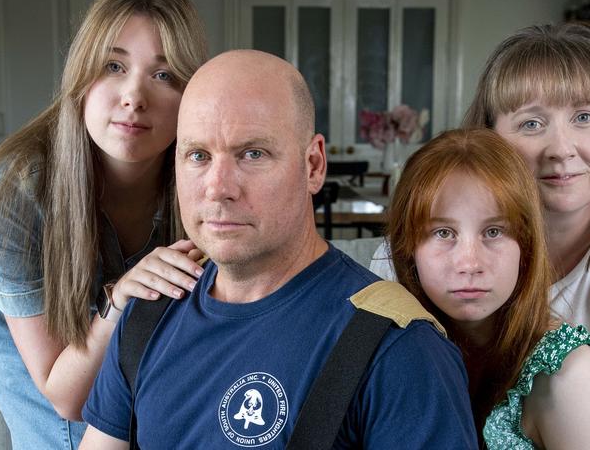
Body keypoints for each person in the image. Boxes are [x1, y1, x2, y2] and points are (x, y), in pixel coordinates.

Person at [79, 50, 478, 449]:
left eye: (252, 154)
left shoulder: (397, 348)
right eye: (198, 155)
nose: (218, 188)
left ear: (314, 165)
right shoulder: (149, 313)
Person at [0, 0, 208, 449]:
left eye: (164, 74)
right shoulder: (15, 193)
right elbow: (64, 397)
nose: (134, 96)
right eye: (113, 65)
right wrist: (120, 302)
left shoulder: (203, 180)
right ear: (81, 76)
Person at [371, 23, 590, 374]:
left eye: (584, 117)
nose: (560, 149)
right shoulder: (407, 260)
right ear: (489, 139)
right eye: (531, 124)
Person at [387, 128, 590, 449]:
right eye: (443, 233)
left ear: (527, 245)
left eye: (493, 231)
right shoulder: (394, 355)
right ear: (408, 249)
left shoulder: (570, 375)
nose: (469, 263)